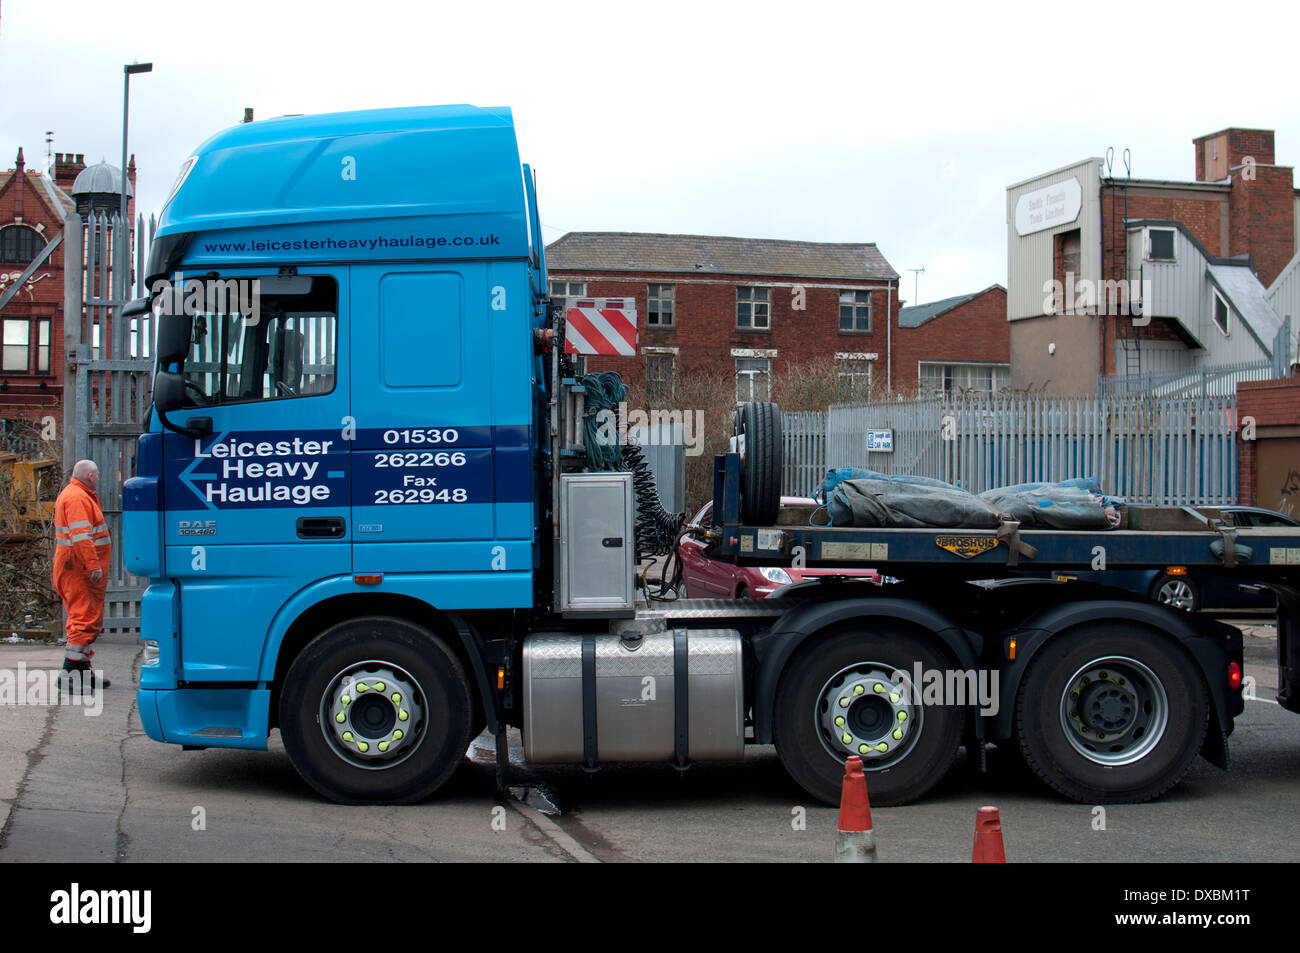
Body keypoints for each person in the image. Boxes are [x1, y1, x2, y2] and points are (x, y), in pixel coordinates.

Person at [53, 460, 112, 690]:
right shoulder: (78, 497)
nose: (98, 479)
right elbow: (81, 536)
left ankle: (82, 671)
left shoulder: (77, 494)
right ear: (89, 476)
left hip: (76, 567)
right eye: (96, 476)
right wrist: (93, 566)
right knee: (83, 620)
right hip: (80, 569)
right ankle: (68, 672)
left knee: (86, 618)